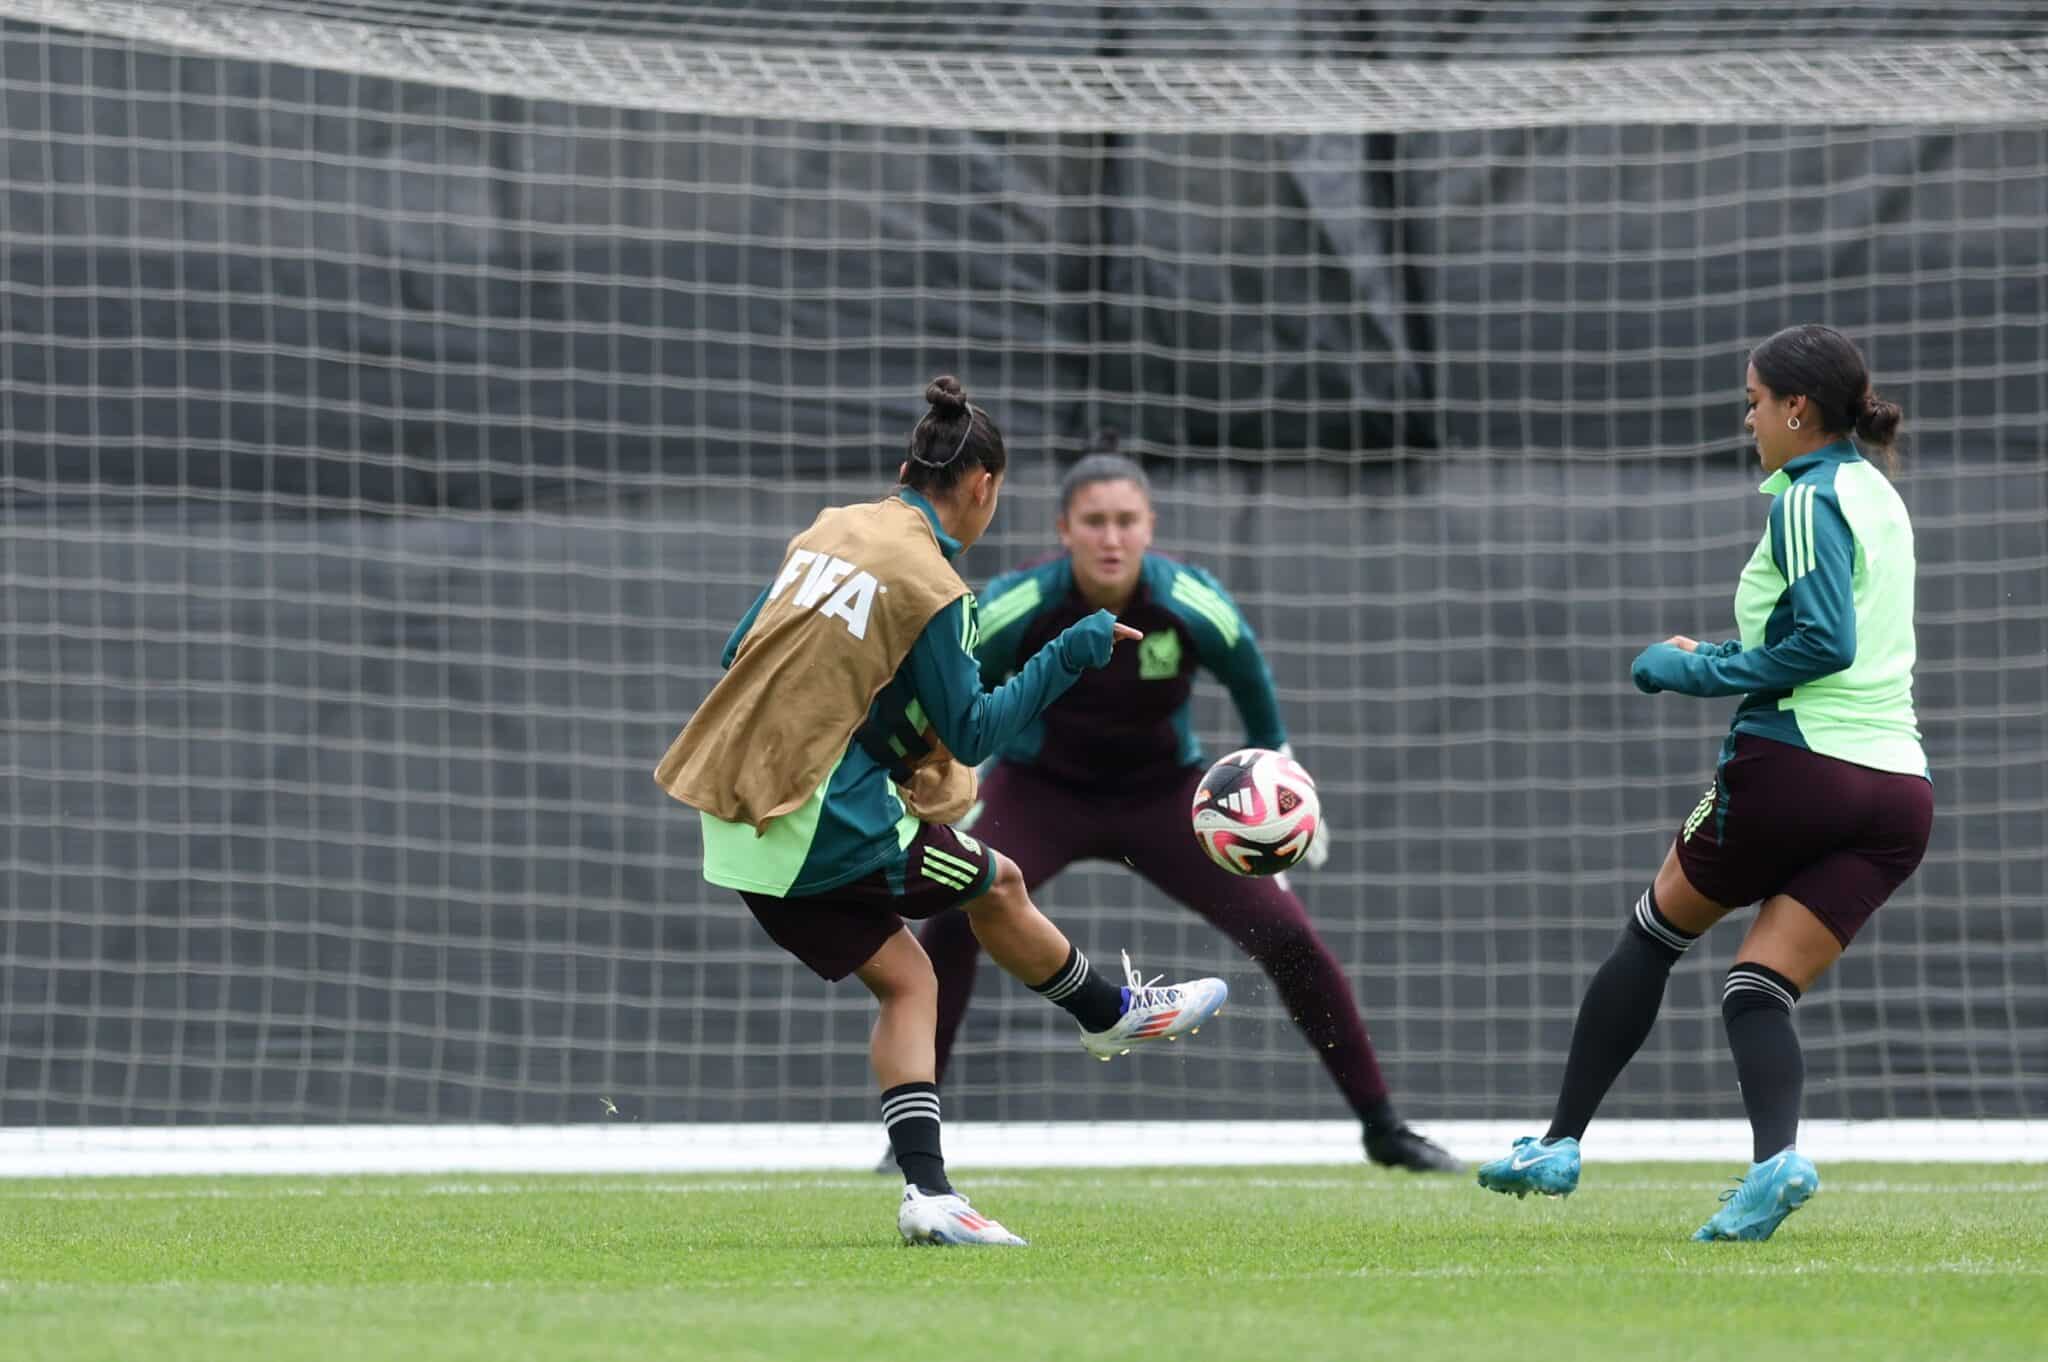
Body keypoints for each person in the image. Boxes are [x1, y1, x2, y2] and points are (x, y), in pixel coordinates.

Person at [655, 379, 1228, 1248]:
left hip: (736, 822)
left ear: (903, 471)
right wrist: (1070, 650)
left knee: (909, 979)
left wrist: (867, 718)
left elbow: (743, 649)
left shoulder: (830, 529)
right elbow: (974, 727)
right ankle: (1109, 1014)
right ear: (985, 486)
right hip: (815, 818)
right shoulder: (933, 585)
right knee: (996, 879)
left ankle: (928, 1195)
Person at [1476, 325, 1932, 1242]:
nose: (1749, 418)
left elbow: (1822, 646)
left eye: (1755, 401)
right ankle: (1776, 1164)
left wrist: (1690, 672)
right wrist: (1720, 651)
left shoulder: (1806, 498)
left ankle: (1559, 1144)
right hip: (1898, 793)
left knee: (1652, 934)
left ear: (1797, 410)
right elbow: (1828, 643)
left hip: (1798, 766)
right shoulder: (1878, 495)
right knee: (1757, 986)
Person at [908, 436, 1458, 1173]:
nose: (1111, 536)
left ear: (1150, 527)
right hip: (1041, 791)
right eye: (1094, 521)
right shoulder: (1017, 605)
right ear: (1063, 530)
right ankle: (911, 1140)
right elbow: (948, 689)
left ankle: (1384, 1127)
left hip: (1166, 796)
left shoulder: (1188, 600)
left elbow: (1253, 684)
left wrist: (1281, 780)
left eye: (1126, 520)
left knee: (1288, 937)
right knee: (951, 915)